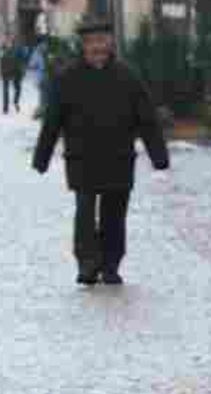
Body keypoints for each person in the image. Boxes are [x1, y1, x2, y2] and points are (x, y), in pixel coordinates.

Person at [31, 15, 170, 286]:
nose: (97, 47)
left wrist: (159, 156)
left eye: (102, 40)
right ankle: (86, 262)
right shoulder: (68, 77)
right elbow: (53, 120)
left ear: (111, 43)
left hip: (118, 156)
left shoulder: (127, 76)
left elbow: (146, 118)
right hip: (81, 157)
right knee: (84, 211)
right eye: (91, 41)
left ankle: (110, 264)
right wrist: (42, 157)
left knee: (114, 213)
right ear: (83, 45)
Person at [0, 34, 25, 114]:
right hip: (6, 72)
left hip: (16, 72)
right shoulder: (2, 50)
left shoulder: (18, 49)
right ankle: (5, 108)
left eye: (10, 40)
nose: (8, 42)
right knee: (5, 91)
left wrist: (22, 70)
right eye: (6, 40)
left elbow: (22, 60)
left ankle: (15, 102)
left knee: (18, 89)